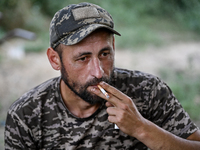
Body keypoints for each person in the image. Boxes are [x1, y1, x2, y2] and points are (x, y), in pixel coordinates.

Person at [4, 2, 200, 150]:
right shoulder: (26, 115)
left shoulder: (148, 90)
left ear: (113, 47)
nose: (98, 72)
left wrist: (142, 128)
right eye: (83, 58)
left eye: (104, 54)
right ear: (55, 60)